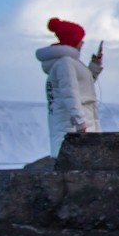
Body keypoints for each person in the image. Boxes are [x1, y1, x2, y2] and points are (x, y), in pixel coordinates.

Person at [37, 18, 102, 157]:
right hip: (72, 125)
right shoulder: (65, 63)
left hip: (76, 122)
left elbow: (83, 86)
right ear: (73, 40)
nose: (82, 42)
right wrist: (79, 120)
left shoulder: (68, 62)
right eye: (80, 39)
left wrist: (94, 66)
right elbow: (69, 92)